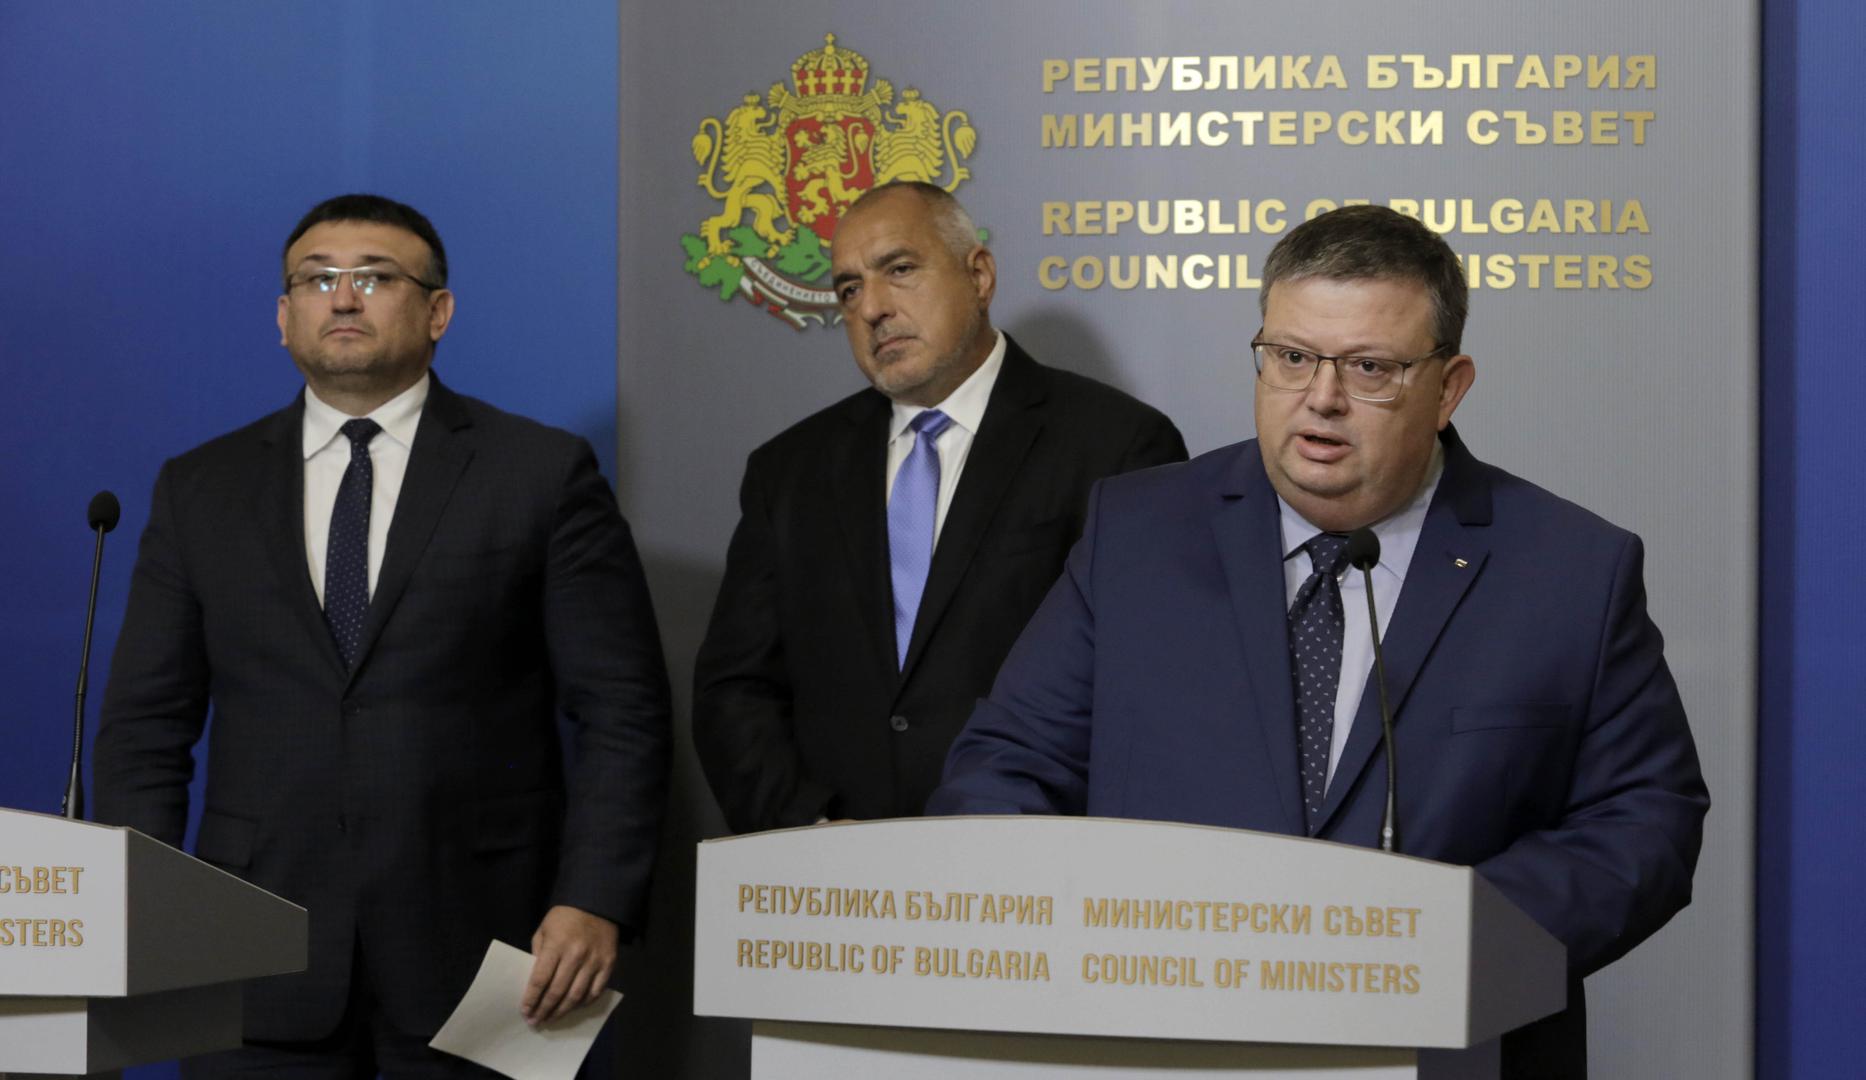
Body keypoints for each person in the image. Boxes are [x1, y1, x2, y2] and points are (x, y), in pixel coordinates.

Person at [928, 204, 1708, 1076]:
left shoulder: (1569, 570)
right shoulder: (1139, 532)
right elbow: (1004, 767)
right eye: (1291, 358)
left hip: (1445, 1047)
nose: (1320, 400)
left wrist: (1445, 941)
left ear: (1448, 388)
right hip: (1164, 1045)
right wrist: (1083, 942)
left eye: (1370, 368)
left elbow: (1646, 821)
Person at [93, 194, 671, 1077]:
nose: (344, 298)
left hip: (491, 959)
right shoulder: (200, 488)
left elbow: (623, 711)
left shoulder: (539, 474)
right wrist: (146, 909)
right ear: (284, 317)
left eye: (375, 277)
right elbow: (144, 727)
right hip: (251, 955)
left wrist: (596, 899)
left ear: (438, 312)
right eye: (317, 280)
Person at [692, 181, 1186, 832]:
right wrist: (806, 829)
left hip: (1034, 877)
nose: (871, 308)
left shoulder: (1115, 446)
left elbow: (1143, 689)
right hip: (827, 888)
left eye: (899, 270)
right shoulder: (788, 472)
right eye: (848, 289)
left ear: (978, 274)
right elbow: (737, 688)